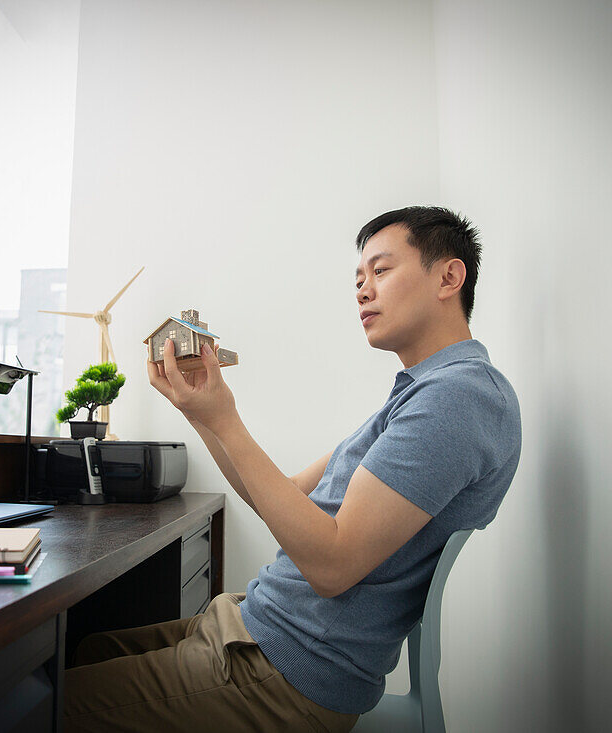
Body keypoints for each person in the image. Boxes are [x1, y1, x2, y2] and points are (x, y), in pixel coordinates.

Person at [63, 206, 522, 732]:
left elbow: (330, 567)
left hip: (286, 673)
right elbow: (276, 498)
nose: (362, 290)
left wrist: (226, 418)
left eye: (381, 270)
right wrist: (202, 414)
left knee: (39, 702)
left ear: (449, 277)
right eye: (358, 278)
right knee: (85, 647)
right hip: (254, 626)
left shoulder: (459, 398)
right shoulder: (416, 398)